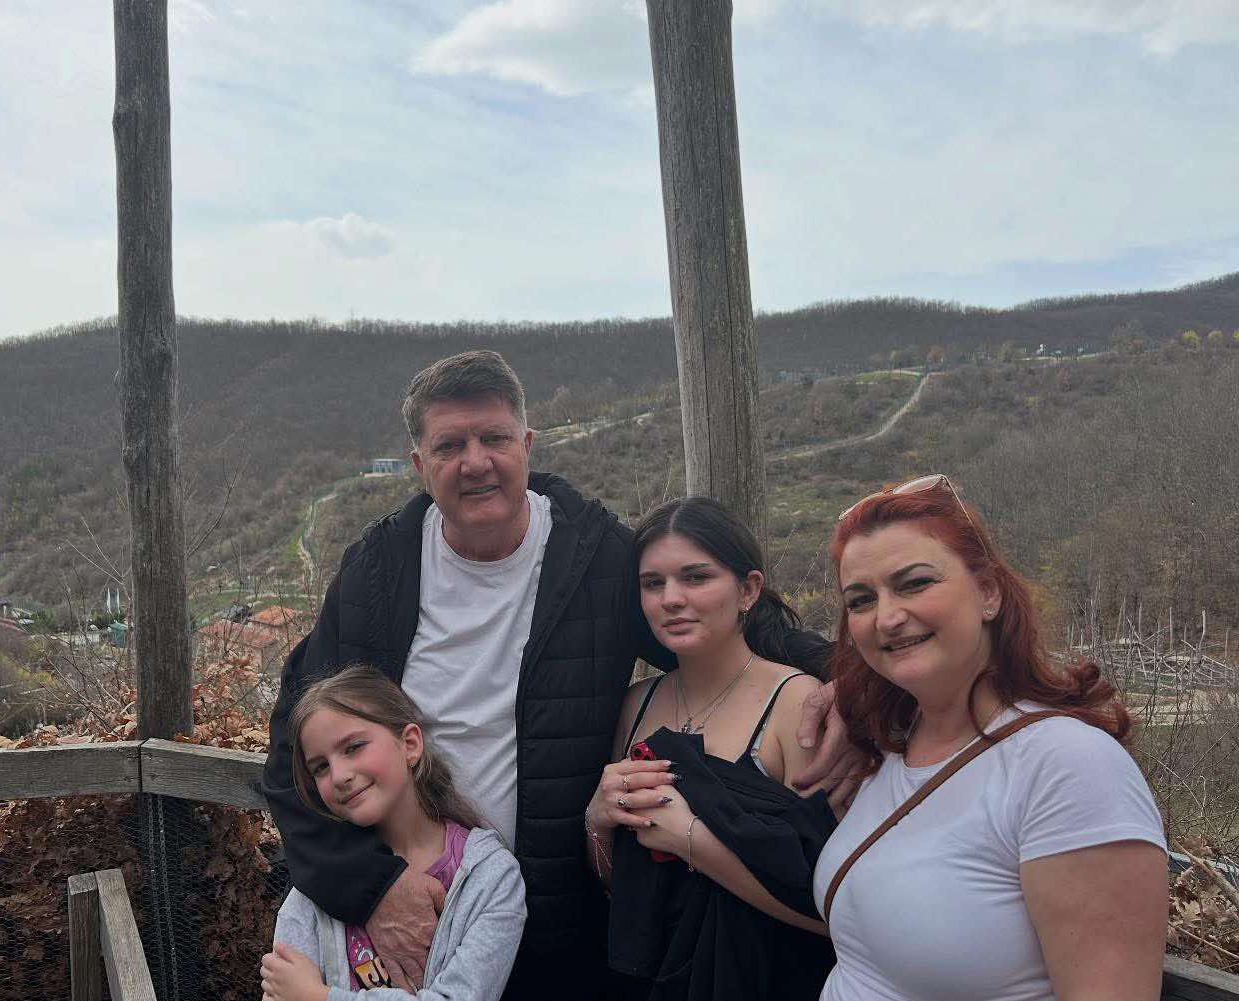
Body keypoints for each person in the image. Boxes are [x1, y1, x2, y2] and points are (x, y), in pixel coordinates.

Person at [262, 350, 859, 1000]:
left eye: (493, 438)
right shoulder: (377, 575)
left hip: (562, 936)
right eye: (450, 445)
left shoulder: (598, 559)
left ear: (526, 443)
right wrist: (372, 886)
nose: (475, 462)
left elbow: (720, 627)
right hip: (422, 924)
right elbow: (297, 744)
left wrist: (848, 681)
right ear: (418, 464)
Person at [815, 475, 1168, 1001]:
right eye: (861, 600)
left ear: (988, 593)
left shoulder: (1068, 767)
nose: (886, 618)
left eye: (914, 583)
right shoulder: (890, 748)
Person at [586, 496, 837, 1000]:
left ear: (748, 590)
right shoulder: (635, 704)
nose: (671, 599)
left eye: (696, 577)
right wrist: (598, 820)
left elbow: (831, 908)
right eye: (652, 583)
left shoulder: (796, 703)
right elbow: (619, 889)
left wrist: (691, 839)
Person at [263, 665, 525, 1001]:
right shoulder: (317, 885)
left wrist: (318, 996)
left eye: (353, 747)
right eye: (321, 767)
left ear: (410, 744)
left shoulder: (490, 877)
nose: (340, 775)